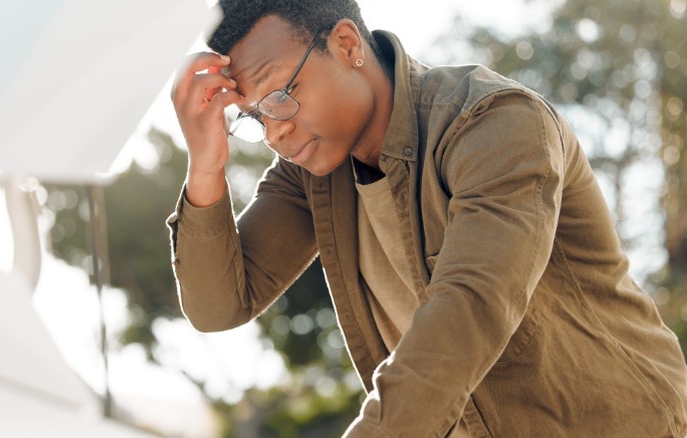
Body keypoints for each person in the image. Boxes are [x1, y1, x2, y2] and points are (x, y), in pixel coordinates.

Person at [167, 0, 687, 435]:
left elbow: (466, 312)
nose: (275, 132)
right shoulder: (312, 172)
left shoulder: (495, 123)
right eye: (255, 116)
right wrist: (206, 166)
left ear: (346, 45)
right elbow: (219, 306)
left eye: (278, 96)